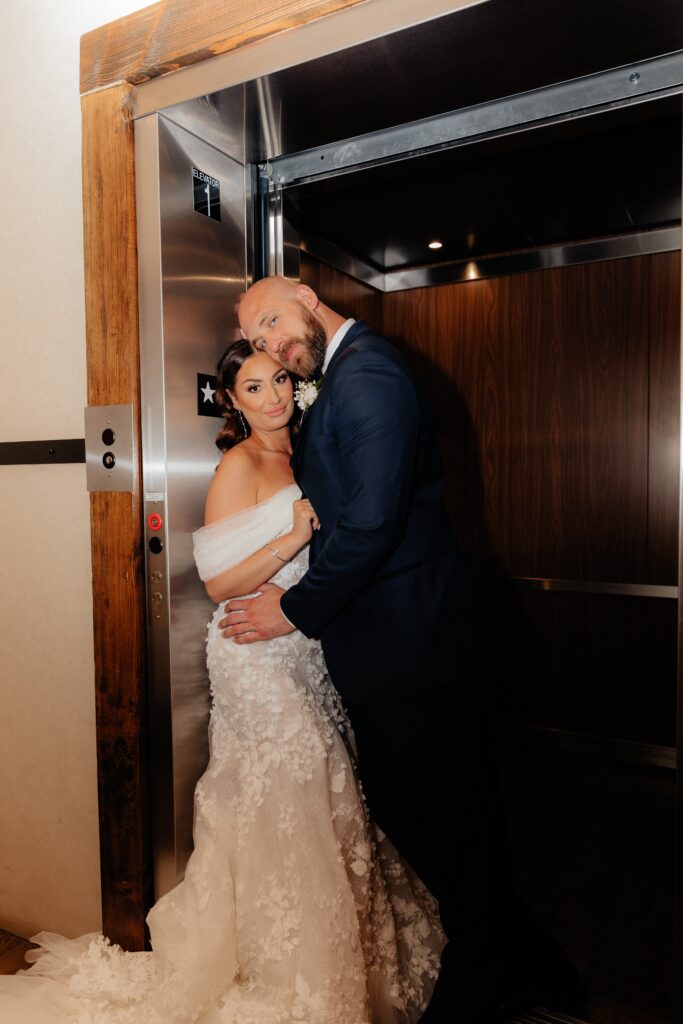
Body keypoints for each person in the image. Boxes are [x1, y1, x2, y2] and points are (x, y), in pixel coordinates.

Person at [0, 341, 445, 1024]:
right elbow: (216, 582)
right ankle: (286, 971)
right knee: (293, 781)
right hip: (253, 656)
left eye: (278, 383)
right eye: (252, 389)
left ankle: (305, 951)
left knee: (318, 795)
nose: (269, 397)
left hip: (304, 646)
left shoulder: (308, 453)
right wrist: (292, 537)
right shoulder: (237, 465)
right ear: (232, 402)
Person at [222, 276, 582, 1023]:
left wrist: (293, 608)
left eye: (270, 323)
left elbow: (372, 523)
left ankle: (482, 983)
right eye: (255, 344)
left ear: (304, 293)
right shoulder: (345, 374)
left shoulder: (367, 374)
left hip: (414, 649)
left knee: (442, 820)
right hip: (404, 645)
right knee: (451, 817)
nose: (271, 347)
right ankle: (539, 972)